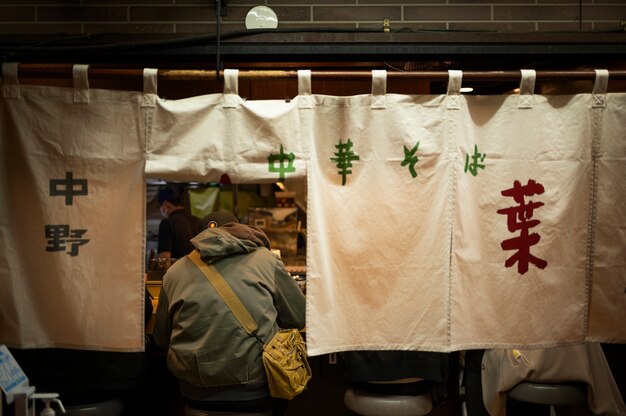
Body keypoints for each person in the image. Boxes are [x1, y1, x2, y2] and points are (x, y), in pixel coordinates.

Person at [152, 212, 306, 415]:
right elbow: (298, 317)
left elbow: (162, 339)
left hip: (195, 391)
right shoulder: (266, 260)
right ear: (239, 230)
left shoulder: (174, 273)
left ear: (199, 238)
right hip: (255, 391)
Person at [156, 184, 202, 260]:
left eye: (160, 206)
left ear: (166, 205)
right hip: (198, 270)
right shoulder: (199, 221)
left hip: (177, 271)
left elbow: (164, 258)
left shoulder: (167, 223)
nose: (161, 209)